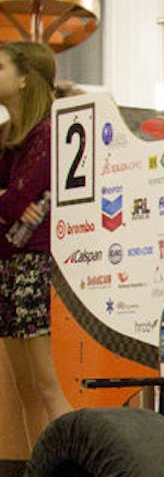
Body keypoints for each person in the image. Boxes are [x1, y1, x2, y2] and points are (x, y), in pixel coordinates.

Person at [0, 41, 70, 455]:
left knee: (46, 385)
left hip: (33, 264)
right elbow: (10, 202)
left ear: (25, 78)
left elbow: (15, 200)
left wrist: (9, 200)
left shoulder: (47, 133)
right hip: (8, 264)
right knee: (25, 389)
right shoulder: (9, 135)